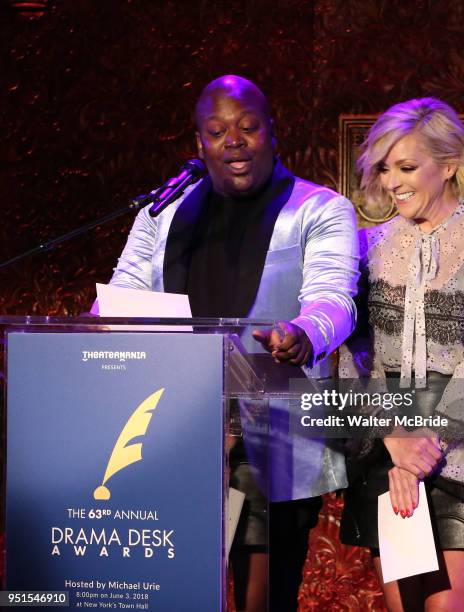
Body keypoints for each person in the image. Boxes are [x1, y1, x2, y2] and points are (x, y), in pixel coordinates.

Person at [97, 75, 359, 611]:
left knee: (262, 597)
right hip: (175, 427)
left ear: (272, 132)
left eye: (247, 128)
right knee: (177, 592)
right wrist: (80, 334)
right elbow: (120, 297)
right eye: (217, 131)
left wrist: (305, 334)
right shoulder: (162, 213)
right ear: (199, 143)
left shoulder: (320, 208)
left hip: (274, 431)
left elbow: (336, 299)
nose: (233, 141)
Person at [339, 97, 464, 611]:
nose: (391, 182)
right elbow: (355, 356)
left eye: (406, 167)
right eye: (384, 168)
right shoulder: (366, 246)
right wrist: (394, 439)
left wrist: (422, 450)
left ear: (449, 165)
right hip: (388, 445)